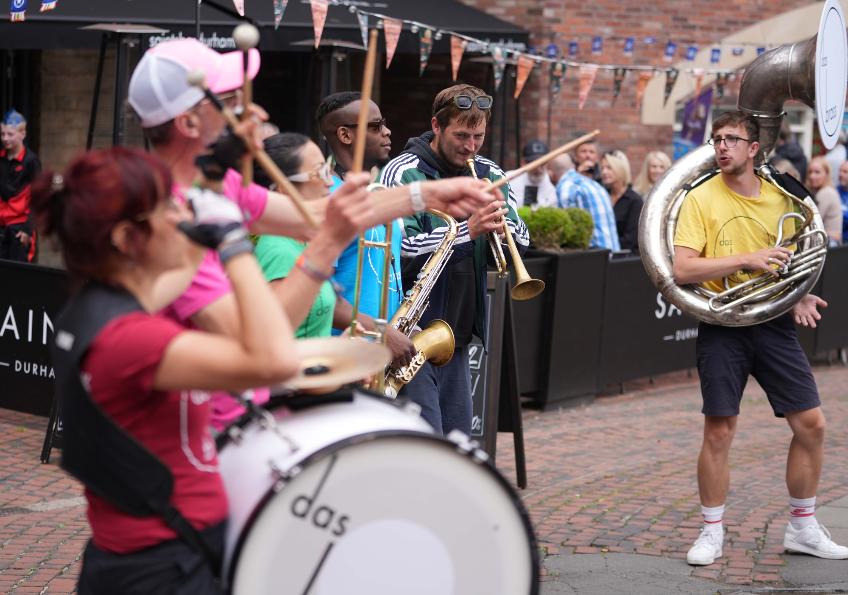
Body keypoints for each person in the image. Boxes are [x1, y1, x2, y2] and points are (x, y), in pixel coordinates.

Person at [126, 38, 492, 430]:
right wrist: (330, 245)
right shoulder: (170, 215)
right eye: (231, 100)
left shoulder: (222, 186)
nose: (254, 112)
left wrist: (429, 194)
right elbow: (265, 340)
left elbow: (315, 216)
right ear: (188, 123)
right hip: (199, 423)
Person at [32, 147, 302, 593]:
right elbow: (277, 361)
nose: (182, 212)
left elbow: (175, 273)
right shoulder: (132, 339)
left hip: (147, 560)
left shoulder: (98, 306)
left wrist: (204, 212)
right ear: (126, 238)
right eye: (169, 207)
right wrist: (234, 244)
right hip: (162, 571)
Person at [673, 110, 848, 566]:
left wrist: (797, 296)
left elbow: (788, 261)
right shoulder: (700, 197)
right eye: (717, 139)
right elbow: (683, 268)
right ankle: (711, 532)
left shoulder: (779, 197)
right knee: (719, 431)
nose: (722, 146)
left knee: (812, 425)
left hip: (771, 324)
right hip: (722, 325)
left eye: (732, 139)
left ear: (754, 149)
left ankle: (802, 527)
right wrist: (746, 259)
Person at [379, 83, 529, 435]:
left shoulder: (491, 173)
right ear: (436, 126)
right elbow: (400, 248)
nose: (471, 146)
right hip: (409, 331)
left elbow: (522, 239)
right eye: (461, 135)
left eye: (478, 136)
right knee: (425, 440)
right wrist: (468, 230)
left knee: (458, 440)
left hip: (457, 332)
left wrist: (502, 221)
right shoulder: (403, 172)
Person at [315, 91, 415, 369]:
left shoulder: (376, 190)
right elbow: (319, 297)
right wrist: (383, 332)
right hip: (344, 358)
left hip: (382, 353)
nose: (387, 131)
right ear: (345, 135)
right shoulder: (328, 200)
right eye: (375, 126)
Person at [548, 153, 620, 251]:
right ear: (572, 166)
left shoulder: (566, 188)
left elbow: (568, 233)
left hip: (595, 258)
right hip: (614, 256)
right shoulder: (594, 184)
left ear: (550, 173)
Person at [1, 109, 40, 262]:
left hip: (20, 229)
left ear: (23, 134)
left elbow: (38, 198)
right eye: (2, 134)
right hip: (2, 227)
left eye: (10, 134)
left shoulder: (31, 161)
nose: (5, 138)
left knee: (19, 279)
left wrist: (28, 230)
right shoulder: (1, 158)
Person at [600, 149, 643, 252]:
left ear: (621, 169)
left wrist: (605, 246)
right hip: (603, 255)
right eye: (602, 168)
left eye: (609, 168)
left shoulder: (634, 201)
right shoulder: (602, 194)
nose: (604, 172)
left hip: (625, 260)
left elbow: (631, 240)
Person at [506, 139, 558, 207]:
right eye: (534, 164)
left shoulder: (554, 183)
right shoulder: (508, 179)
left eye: (542, 163)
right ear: (523, 163)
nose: (538, 169)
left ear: (548, 163)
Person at [805, 156, 842, 245]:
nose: (812, 176)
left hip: (830, 244)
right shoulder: (821, 191)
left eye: (817, 172)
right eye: (810, 172)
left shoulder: (826, 193)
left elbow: (812, 221)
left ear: (827, 174)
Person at [836, 160, 848, 243]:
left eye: (845, 172)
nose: (840, 174)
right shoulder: (835, 190)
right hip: (838, 241)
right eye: (840, 171)